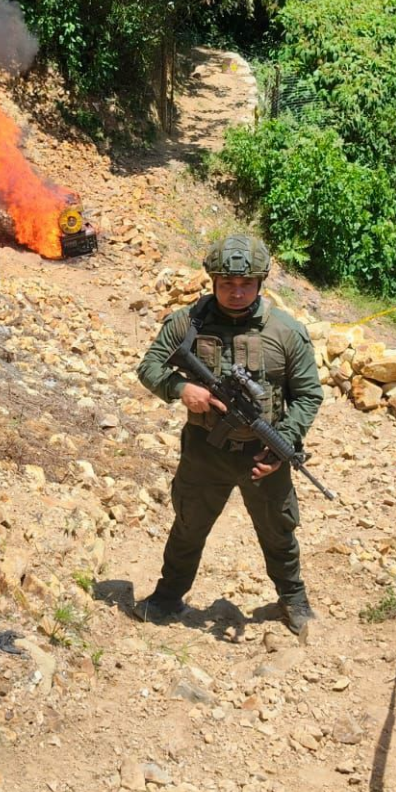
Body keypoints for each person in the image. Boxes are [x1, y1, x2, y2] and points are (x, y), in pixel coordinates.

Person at [133, 234, 324, 640]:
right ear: (213, 282)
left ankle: (293, 599)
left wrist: (281, 443)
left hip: (262, 455)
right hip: (205, 450)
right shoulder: (188, 323)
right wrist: (181, 389)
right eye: (226, 285)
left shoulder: (285, 332)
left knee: (278, 528)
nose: (236, 293)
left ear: (260, 283)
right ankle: (168, 597)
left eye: (245, 285)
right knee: (189, 525)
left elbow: (308, 395)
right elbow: (149, 366)